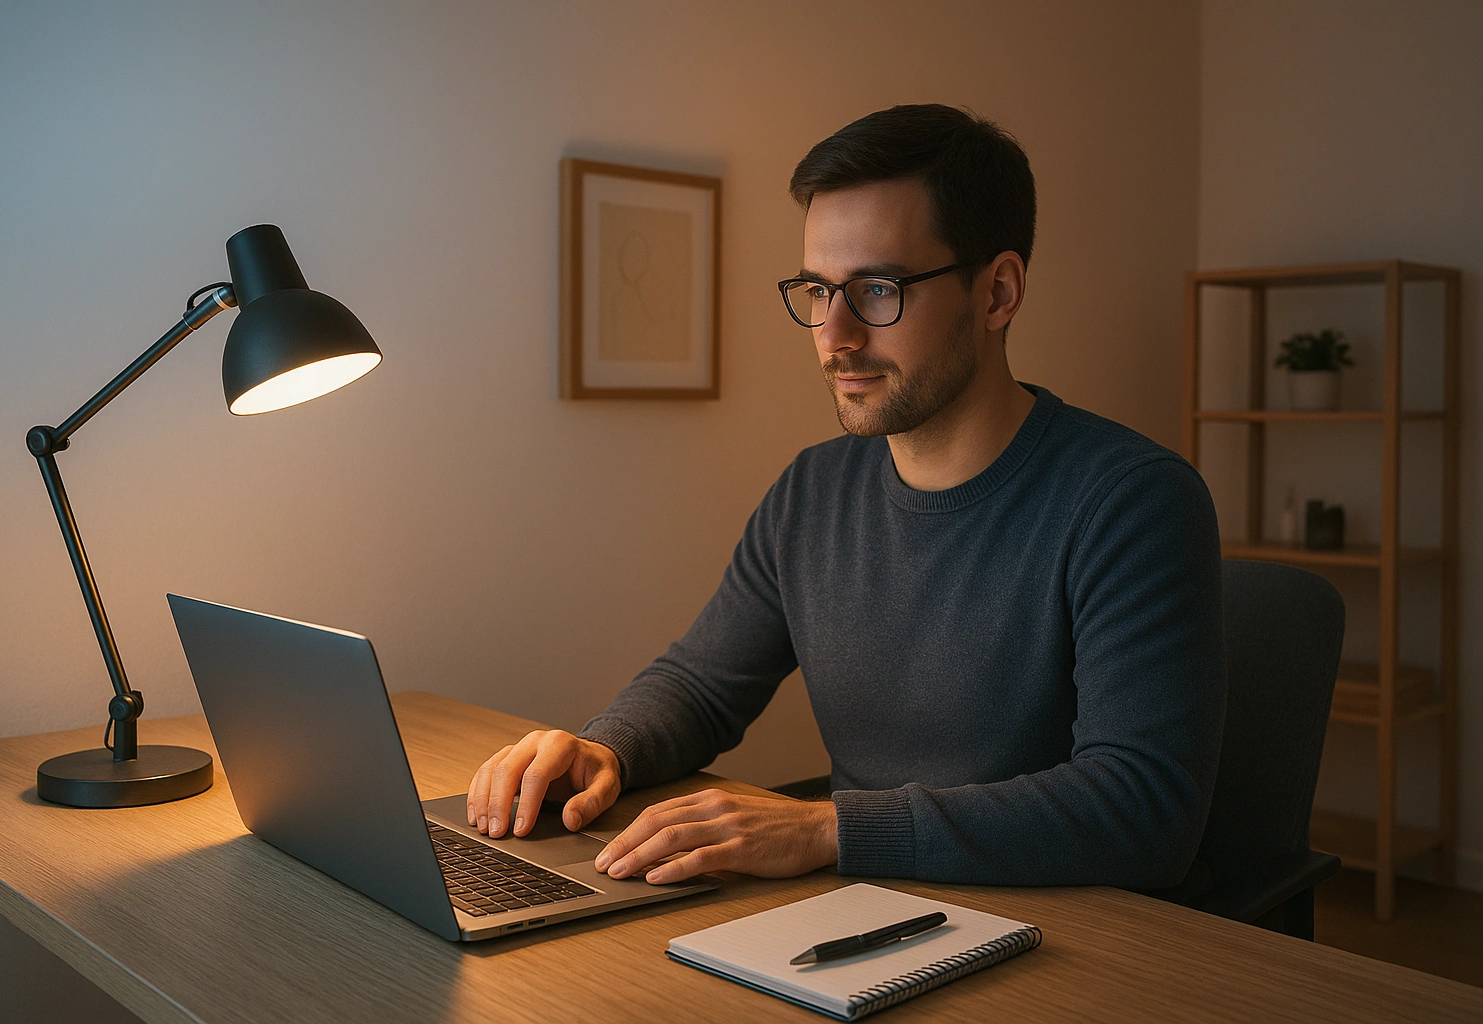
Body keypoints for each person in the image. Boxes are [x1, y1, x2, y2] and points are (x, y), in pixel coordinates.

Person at [466, 104, 1226, 891]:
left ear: (998, 292)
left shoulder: (1131, 503)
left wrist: (831, 828)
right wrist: (607, 748)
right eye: (817, 290)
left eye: (880, 289)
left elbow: (1145, 809)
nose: (836, 335)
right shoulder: (813, 491)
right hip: (871, 911)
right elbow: (701, 684)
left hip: (1075, 941)